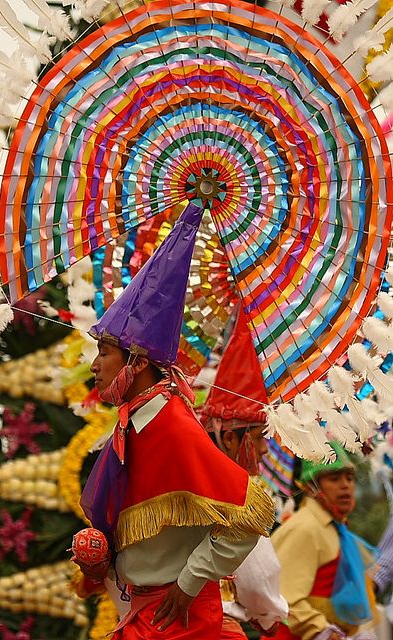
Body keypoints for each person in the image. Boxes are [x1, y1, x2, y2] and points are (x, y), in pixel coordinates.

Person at [75, 202, 275, 639]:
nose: (95, 366)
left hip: (177, 619)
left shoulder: (170, 423)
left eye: (104, 352)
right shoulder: (134, 423)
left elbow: (252, 511)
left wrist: (189, 582)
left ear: (138, 361)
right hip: (142, 612)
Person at [200, 308, 288, 640]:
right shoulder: (232, 487)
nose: (265, 451)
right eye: (257, 439)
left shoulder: (191, 471)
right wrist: (270, 612)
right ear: (228, 437)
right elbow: (258, 582)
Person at [266, 444, 378, 640]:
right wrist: (325, 632)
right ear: (311, 487)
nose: (345, 485)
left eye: (349, 478)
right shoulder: (305, 528)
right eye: (334, 478)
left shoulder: (336, 528)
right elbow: (285, 599)